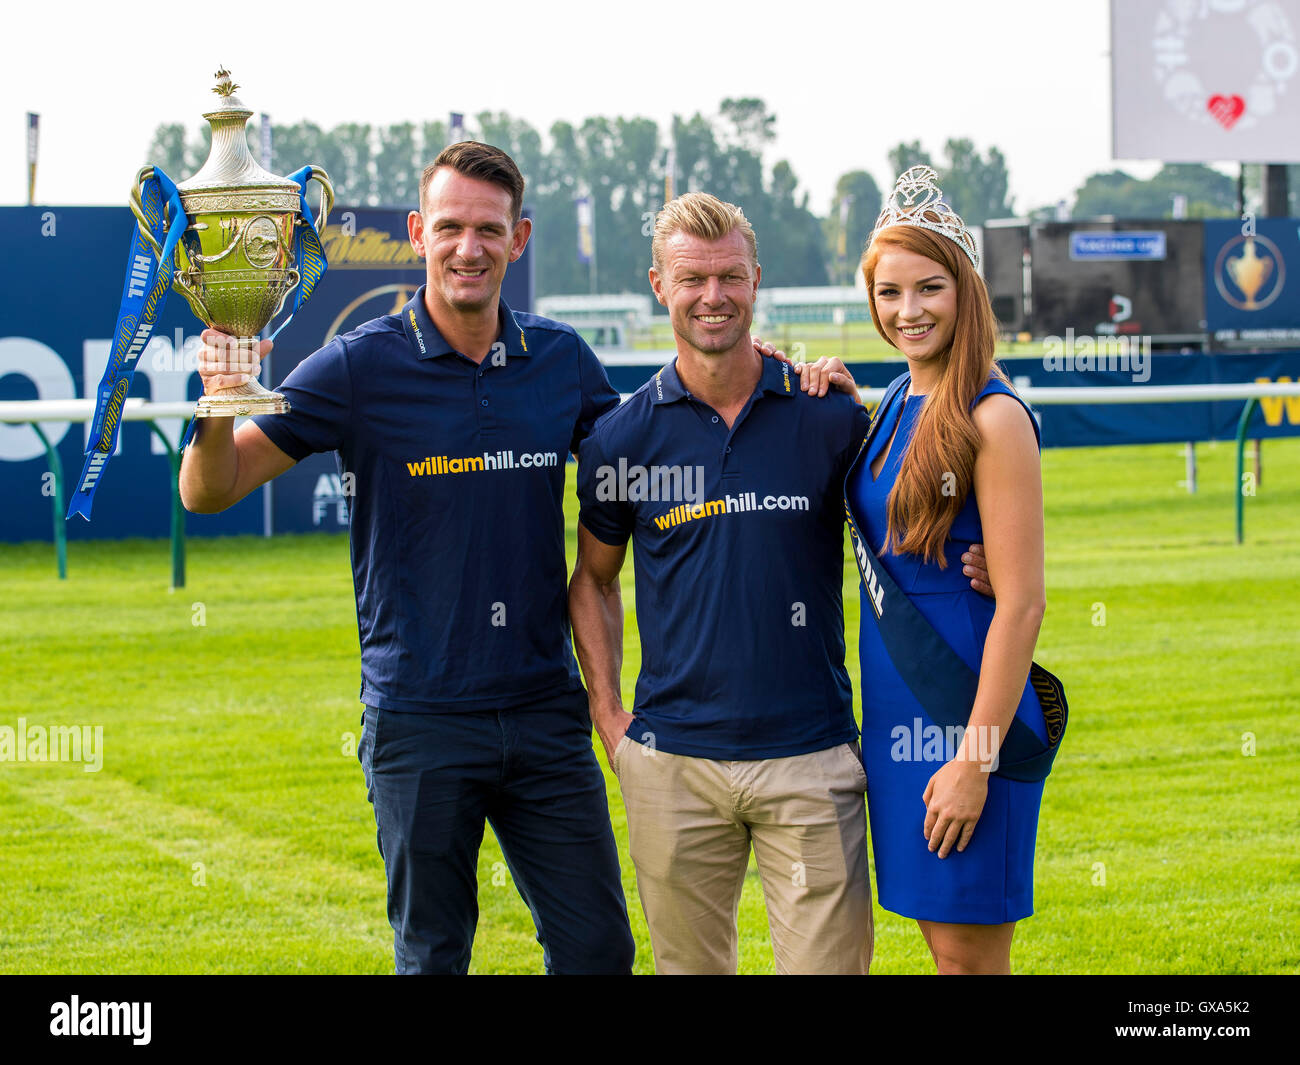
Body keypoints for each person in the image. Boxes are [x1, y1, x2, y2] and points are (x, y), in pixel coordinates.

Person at [179, 141, 636, 975]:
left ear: (519, 238)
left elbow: (656, 455)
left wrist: (776, 381)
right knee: (433, 958)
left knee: (599, 948)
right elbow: (211, 489)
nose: (471, 247)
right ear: (421, 233)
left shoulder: (561, 360)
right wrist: (215, 403)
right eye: (453, 226)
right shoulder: (360, 364)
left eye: (490, 230)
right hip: (419, 717)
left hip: (544, 712)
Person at [568, 192, 992, 975]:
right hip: (672, 764)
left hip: (813, 759)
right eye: (692, 278)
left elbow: (908, 512)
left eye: (730, 276)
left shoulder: (827, 416)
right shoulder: (621, 438)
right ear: (659, 285)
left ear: (756, 278)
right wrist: (610, 719)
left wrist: (985, 555)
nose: (713, 296)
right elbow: (594, 580)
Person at [837, 166, 1053, 975]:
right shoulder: (894, 401)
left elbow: (1023, 605)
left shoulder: (993, 417)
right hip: (894, 710)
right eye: (889, 293)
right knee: (937, 940)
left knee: (966, 954)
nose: (908, 311)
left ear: (964, 289)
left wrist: (975, 756)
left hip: (964, 705)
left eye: (929, 287)